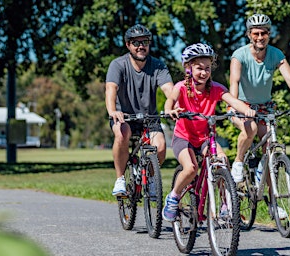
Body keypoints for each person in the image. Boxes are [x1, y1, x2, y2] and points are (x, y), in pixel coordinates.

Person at [162, 43, 256, 222]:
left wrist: (246, 110)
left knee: (222, 162)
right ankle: (173, 197)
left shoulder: (216, 88)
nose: (204, 73)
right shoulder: (181, 87)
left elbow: (232, 101)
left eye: (207, 68)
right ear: (188, 68)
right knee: (190, 168)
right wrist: (170, 110)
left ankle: (224, 205)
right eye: (199, 68)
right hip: (184, 138)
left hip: (206, 138)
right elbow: (170, 101)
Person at [229, 13, 290, 183]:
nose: (260, 37)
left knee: (270, 144)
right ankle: (238, 161)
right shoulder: (239, 55)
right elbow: (234, 82)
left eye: (264, 33)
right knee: (249, 128)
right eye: (256, 33)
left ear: (269, 33)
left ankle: (273, 200)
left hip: (265, 106)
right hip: (241, 105)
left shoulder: (276, 54)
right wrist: (233, 106)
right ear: (249, 34)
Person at [106, 24, 174, 196]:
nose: (140, 46)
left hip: (149, 118)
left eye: (144, 42)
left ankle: (151, 178)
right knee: (122, 134)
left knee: (160, 146)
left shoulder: (158, 65)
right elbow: (111, 89)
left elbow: (169, 90)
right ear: (128, 45)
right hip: (124, 117)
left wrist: (173, 105)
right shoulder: (118, 65)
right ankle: (120, 178)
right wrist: (113, 111)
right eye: (135, 43)